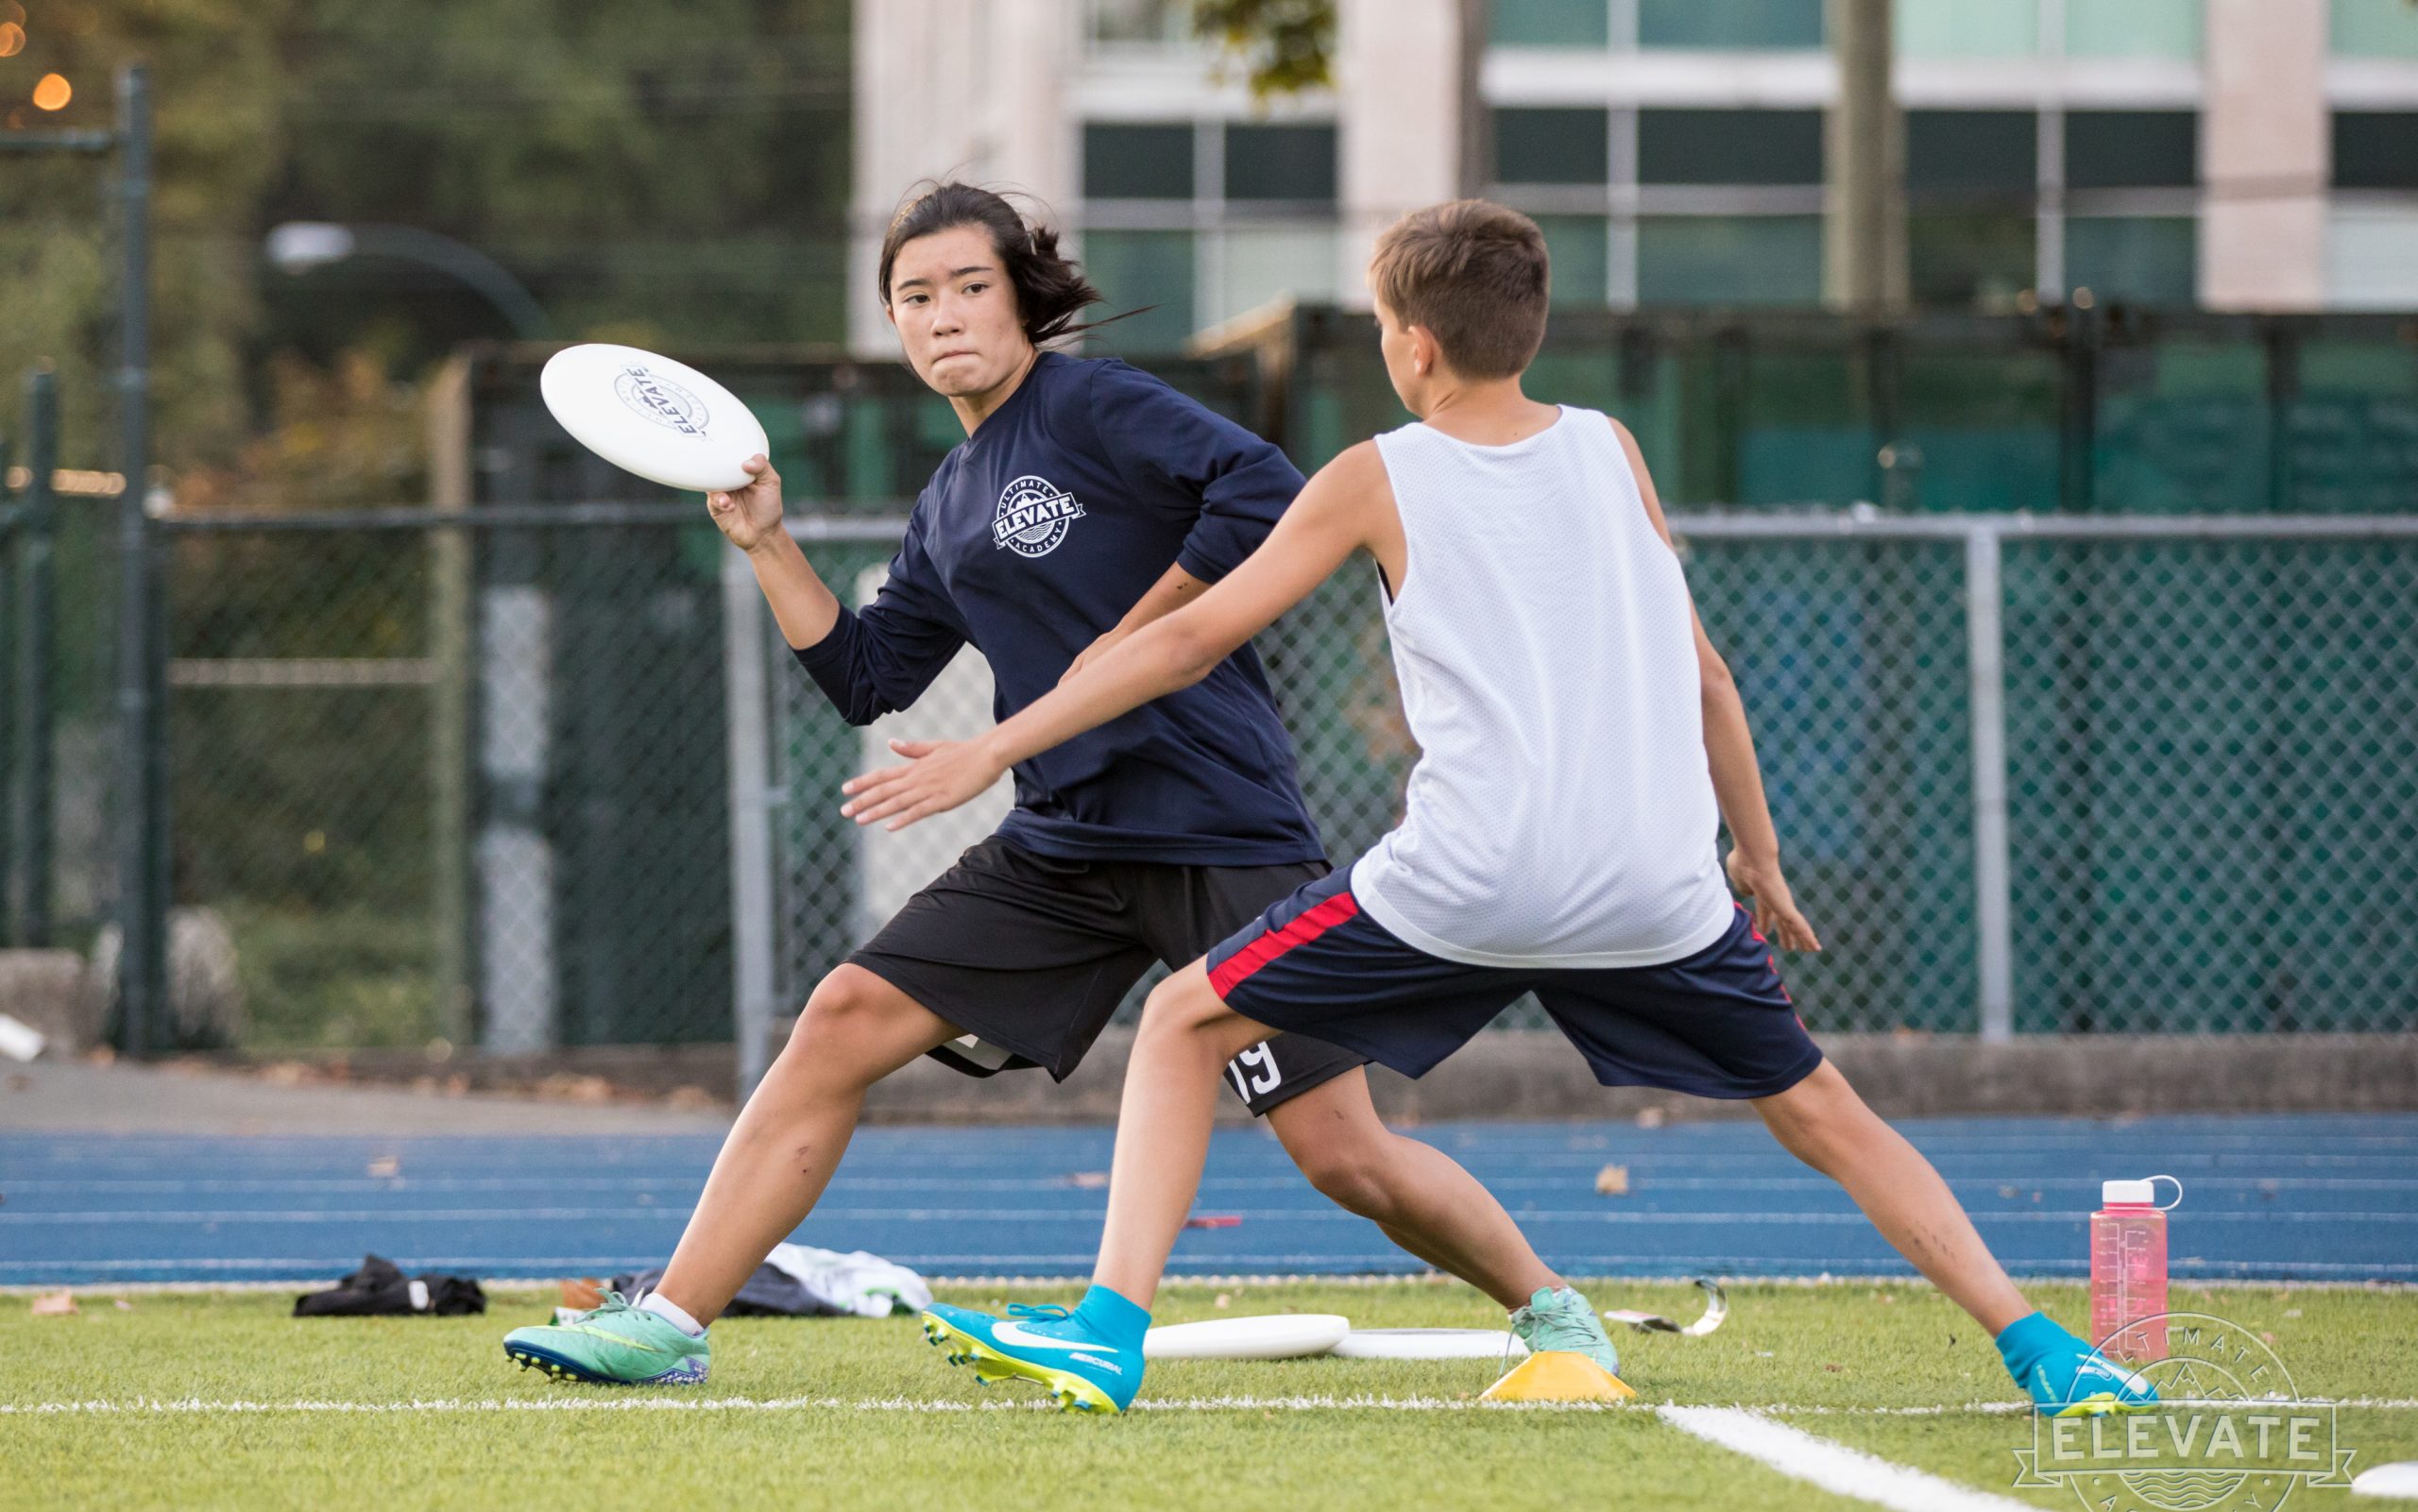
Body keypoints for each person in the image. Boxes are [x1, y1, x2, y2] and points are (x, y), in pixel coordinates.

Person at [849, 199, 2160, 1419]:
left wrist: (995, 746)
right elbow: (1707, 672)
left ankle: (1106, 1328)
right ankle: (2048, 1346)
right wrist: (1757, 854)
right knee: (1829, 1112)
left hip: (1469, 880)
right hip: (1659, 883)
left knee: (1187, 1016)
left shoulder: (1374, 472)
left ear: (1413, 348)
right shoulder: (1610, 444)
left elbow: (1190, 638)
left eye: (1379, 333)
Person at [502, 182, 1623, 1386]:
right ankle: (669, 1325)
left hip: (1215, 827)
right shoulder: (948, 499)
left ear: (1022, 298)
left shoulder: (1091, 401)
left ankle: (1552, 1311)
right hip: (1064, 843)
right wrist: (770, 542)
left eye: (969, 288)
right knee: (839, 1019)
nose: (942, 318)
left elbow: (1260, 490)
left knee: (1342, 1155)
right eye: (913, 298)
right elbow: (868, 674)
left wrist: (1129, 636)